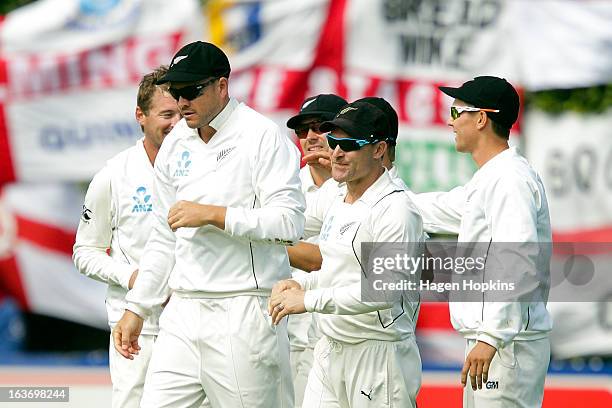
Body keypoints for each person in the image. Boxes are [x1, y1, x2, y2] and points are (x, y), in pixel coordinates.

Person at [112, 41, 305, 408]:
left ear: (221, 86)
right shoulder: (176, 142)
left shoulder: (262, 136)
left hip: (243, 309)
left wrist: (215, 215)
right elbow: (162, 236)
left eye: (191, 91)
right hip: (183, 310)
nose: (182, 102)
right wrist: (137, 307)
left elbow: (289, 222)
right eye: (176, 92)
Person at [269, 101, 425, 407]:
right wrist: (304, 285)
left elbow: (383, 292)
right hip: (330, 348)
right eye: (335, 141)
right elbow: (336, 265)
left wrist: (308, 300)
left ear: (379, 149)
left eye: (350, 144)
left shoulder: (396, 210)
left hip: (378, 356)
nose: (336, 152)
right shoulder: (340, 199)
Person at [410, 76, 552, 408]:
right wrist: (378, 198)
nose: (450, 121)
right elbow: (441, 209)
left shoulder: (508, 180)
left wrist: (490, 337)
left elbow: (518, 260)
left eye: (457, 111)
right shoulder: (494, 177)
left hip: (506, 344)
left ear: (482, 118)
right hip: (498, 340)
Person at [73, 66, 181, 408]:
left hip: (194, 320)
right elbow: (85, 252)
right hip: (137, 326)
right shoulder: (113, 176)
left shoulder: (204, 168)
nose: (176, 124)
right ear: (141, 116)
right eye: (166, 114)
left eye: (181, 113)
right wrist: (134, 277)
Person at [285, 93, 347, 407]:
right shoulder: (286, 191)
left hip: (356, 337)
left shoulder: (368, 186)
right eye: (302, 130)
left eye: (321, 126)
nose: (310, 137)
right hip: (298, 340)